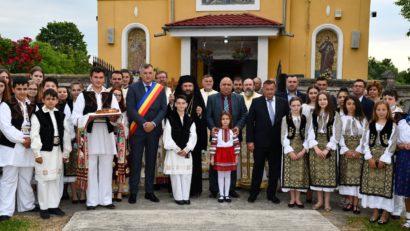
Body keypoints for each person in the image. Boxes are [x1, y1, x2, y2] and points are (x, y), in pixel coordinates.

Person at [71, 67, 120, 210]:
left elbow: (117, 116)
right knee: (91, 168)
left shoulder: (110, 95)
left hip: (106, 134)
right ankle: (91, 201)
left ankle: (106, 199)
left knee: (106, 168)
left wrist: (113, 118)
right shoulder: (83, 95)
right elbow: (75, 118)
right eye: (96, 77)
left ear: (104, 79)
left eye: (101, 77)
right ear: (91, 78)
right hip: (90, 136)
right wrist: (91, 116)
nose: (98, 80)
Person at [127, 64, 167, 204]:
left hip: (154, 131)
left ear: (153, 74)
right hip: (138, 130)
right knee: (136, 161)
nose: (148, 75)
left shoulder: (159, 89)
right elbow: (131, 109)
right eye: (145, 73)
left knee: (151, 161)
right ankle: (133, 191)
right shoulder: (133, 88)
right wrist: (144, 123)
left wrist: (154, 123)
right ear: (140, 74)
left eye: (150, 73)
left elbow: (163, 109)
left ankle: (149, 192)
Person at [30, 89, 72, 219]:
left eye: (53, 99)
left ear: (57, 101)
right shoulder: (37, 115)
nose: (50, 101)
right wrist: (37, 153)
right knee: (43, 180)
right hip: (44, 151)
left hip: (57, 151)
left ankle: (53, 205)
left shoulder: (60, 115)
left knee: (55, 179)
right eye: (48, 99)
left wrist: (66, 152)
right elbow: (34, 135)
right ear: (43, 100)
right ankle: (43, 207)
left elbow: (66, 135)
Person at [0, 77, 37, 222]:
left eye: (24, 89)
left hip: (27, 148)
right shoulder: (5, 105)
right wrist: (23, 139)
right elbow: (6, 128)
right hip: (12, 148)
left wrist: (31, 139)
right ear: (13, 89)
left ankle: (26, 205)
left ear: (28, 89)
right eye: (19, 89)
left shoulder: (32, 105)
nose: (22, 92)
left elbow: (36, 125)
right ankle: (5, 210)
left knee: (26, 178)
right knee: (9, 179)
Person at [247, 80, 289, 203]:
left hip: (276, 143)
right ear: (263, 90)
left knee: (274, 170)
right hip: (259, 142)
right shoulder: (256, 102)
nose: (269, 91)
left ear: (275, 89)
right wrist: (250, 141)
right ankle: (253, 193)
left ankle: (271, 194)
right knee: (258, 168)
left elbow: (287, 123)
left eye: (271, 89)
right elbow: (250, 123)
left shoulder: (283, 103)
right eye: (267, 89)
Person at [206, 77, 247, 198]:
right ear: (219, 86)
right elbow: (208, 116)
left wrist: (238, 127)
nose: (226, 86)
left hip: (233, 137)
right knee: (215, 163)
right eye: (224, 84)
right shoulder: (212, 98)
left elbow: (244, 114)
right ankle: (214, 190)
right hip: (217, 137)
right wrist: (212, 127)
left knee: (232, 163)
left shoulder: (239, 98)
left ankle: (230, 189)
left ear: (232, 86)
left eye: (229, 84)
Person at [359, 101, 397, 224]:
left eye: (383, 110)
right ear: (375, 111)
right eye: (378, 110)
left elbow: (392, 144)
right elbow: (364, 142)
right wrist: (369, 157)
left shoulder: (393, 126)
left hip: (385, 160)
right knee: (373, 186)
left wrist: (384, 159)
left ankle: (385, 213)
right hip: (371, 158)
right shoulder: (370, 124)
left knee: (385, 187)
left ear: (388, 111)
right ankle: (375, 211)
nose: (381, 112)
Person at [173, 75, 207, 197]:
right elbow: (170, 116)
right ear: (181, 87)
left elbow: (204, 120)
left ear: (194, 87)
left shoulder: (198, 98)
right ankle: (178, 190)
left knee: (194, 163)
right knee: (178, 162)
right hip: (177, 138)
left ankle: (194, 189)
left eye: (190, 86)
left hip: (193, 139)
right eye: (185, 86)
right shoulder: (175, 98)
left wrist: (200, 114)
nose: (187, 88)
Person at [307, 92, 341, 212]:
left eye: (324, 99)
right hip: (315, 147)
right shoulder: (313, 114)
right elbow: (310, 131)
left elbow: (337, 133)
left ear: (329, 101)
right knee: (317, 175)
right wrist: (315, 147)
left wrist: (327, 149)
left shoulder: (335, 115)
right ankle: (319, 200)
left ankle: (327, 202)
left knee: (327, 176)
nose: (322, 101)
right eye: (320, 99)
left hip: (329, 148)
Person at [163, 95, 197, 205]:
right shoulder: (170, 119)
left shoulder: (190, 119)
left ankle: (186, 196)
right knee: (176, 175)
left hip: (186, 152)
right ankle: (178, 197)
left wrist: (187, 149)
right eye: (179, 103)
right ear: (175, 104)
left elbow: (193, 136)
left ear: (186, 104)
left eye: (183, 103)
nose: (181, 105)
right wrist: (177, 149)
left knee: (186, 174)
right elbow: (167, 136)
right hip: (174, 152)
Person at [338, 96, 367, 214]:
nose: (351, 106)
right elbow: (338, 135)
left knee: (357, 178)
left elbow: (365, 135)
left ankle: (356, 203)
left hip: (359, 152)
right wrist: (345, 149)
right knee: (347, 177)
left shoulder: (362, 119)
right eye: (348, 103)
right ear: (345, 105)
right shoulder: (340, 119)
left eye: (353, 104)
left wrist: (359, 150)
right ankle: (349, 202)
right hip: (346, 151)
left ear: (357, 105)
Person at [280, 97, 309, 208]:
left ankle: (298, 198)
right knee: (291, 174)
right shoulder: (285, 119)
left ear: (301, 106)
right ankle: (292, 198)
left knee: (300, 174)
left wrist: (304, 150)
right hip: (290, 148)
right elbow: (283, 135)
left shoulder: (305, 119)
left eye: (298, 105)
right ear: (290, 106)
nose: (296, 107)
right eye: (294, 105)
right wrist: (289, 151)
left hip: (301, 148)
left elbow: (308, 134)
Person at [382, 89, 404, 219]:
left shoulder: (400, 114)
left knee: (396, 180)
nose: (387, 101)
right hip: (382, 150)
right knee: (385, 180)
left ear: (395, 100)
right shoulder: (380, 111)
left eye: (390, 99)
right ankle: (383, 207)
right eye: (384, 98)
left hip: (397, 151)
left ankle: (396, 209)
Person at [210, 112, 240, 203]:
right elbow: (213, 145)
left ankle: (227, 194)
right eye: (223, 119)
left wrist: (236, 157)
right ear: (220, 121)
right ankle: (221, 194)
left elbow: (237, 145)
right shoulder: (216, 132)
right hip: (219, 155)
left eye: (227, 119)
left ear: (230, 120)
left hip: (230, 155)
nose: (225, 121)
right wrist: (212, 157)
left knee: (228, 175)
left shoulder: (233, 132)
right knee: (220, 175)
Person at [66, 81, 85, 204]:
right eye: (74, 90)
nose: (76, 92)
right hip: (72, 138)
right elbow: (67, 122)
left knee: (83, 167)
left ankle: (83, 193)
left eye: (79, 90)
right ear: (70, 91)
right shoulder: (68, 104)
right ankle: (74, 194)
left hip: (84, 137)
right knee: (72, 167)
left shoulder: (86, 102)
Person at [111, 87, 129, 202]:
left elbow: (127, 126)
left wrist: (122, 127)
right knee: (111, 165)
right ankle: (111, 190)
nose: (117, 97)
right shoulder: (107, 109)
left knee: (122, 165)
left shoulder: (125, 111)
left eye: (119, 95)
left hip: (122, 140)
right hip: (110, 140)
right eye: (114, 95)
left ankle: (120, 191)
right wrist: (114, 124)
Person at [394, 112, 410, 228]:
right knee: (407, 190)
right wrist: (403, 146)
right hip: (405, 157)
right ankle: (409, 220)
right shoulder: (402, 123)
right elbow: (396, 144)